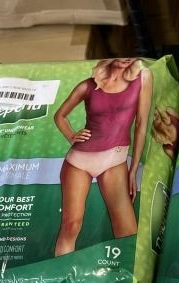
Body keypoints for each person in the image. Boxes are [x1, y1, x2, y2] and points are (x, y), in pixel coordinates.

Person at [54, 58, 153, 257]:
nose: (126, 58)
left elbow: (141, 124)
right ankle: (61, 272)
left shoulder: (143, 77)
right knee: (71, 225)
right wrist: (71, 135)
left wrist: (133, 169)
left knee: (127, 230)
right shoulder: (87, 86)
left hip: (114, 160)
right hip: (78, 161)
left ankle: (126, 273)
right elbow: (59, 116)